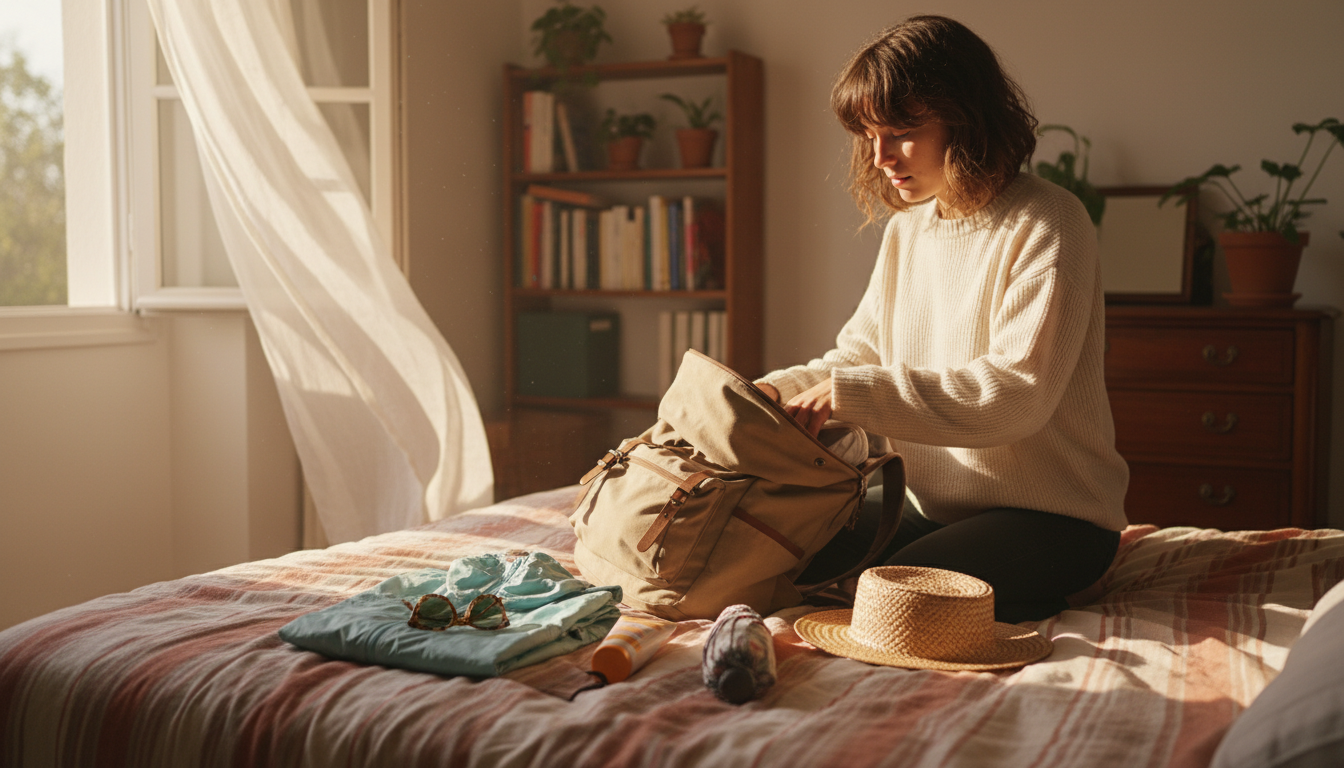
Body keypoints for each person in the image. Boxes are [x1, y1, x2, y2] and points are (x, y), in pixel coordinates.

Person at [755, 15, 1129, 624]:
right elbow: (856, 358)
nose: (880, 158)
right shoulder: (908, 231)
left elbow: (1014, 397)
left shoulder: (1049, 221)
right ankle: (1011, 598)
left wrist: (846, 395)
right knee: (778, 556)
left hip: (1056, 519)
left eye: (901, 132)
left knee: (887, 601)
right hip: (931, 507)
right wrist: (766, 392)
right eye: (870, 135)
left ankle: (1044, 595)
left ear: (966, 118)